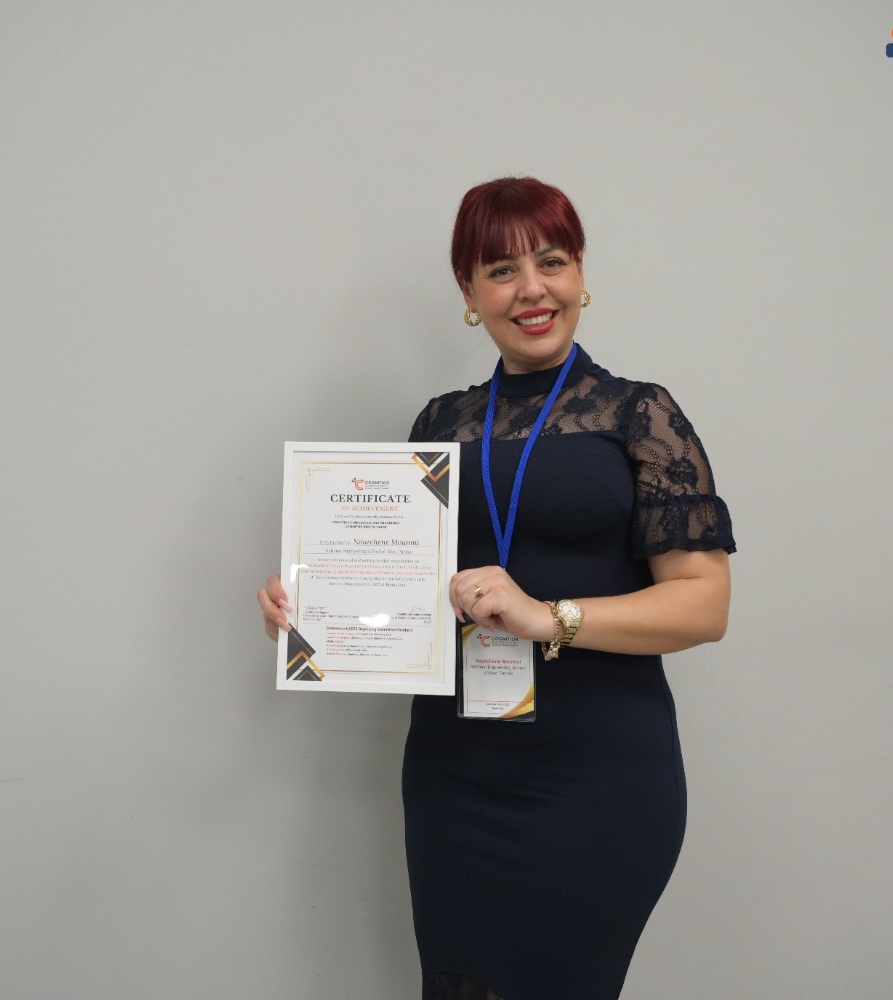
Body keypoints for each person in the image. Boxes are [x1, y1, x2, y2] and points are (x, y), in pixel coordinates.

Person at [258, 176, 734, 1000]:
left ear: (581, 273)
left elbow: (703, 604)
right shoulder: (440, 424)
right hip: (455, 773)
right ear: (470, 293)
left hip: (598, 776)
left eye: (552, 262)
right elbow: (407, 588)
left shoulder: (640, 416)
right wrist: (314, 611)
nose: (532, 289)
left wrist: (547, 617)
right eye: (502, 270)